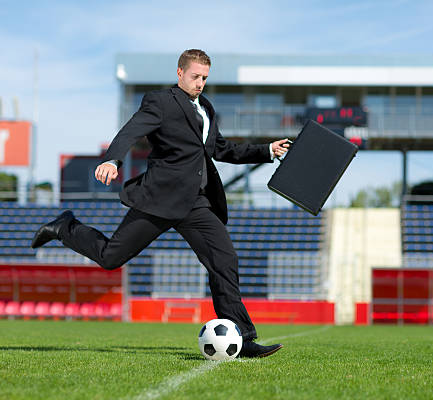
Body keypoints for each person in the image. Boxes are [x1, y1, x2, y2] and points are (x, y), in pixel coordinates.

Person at [31, 49, 290, 358]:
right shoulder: (160, 101)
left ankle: (243, 338)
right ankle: (65, 227)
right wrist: (113, 159)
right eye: (195, 76)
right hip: (159, 200)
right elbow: (132, 129)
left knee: (225, 260)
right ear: (180, 73)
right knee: (111, 257)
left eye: (205, 78)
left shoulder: (206, 108)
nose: (200, 83)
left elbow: (221, 149)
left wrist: (266, 150)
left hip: (196, 204)